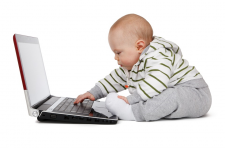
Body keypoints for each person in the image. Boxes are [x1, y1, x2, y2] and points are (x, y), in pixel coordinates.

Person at [74, 14, 212, 122]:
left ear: (139, 46)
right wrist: (94, 93)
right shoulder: (134, 65)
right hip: (177, 91)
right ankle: (139, 108)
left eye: (118, 53)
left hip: (196, 94)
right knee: (162, 97)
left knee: (169, 97)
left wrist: (131, 100)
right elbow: (117, 77)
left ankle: (132, 112)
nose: (115, 58)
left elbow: (156, 82)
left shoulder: (158, 56)